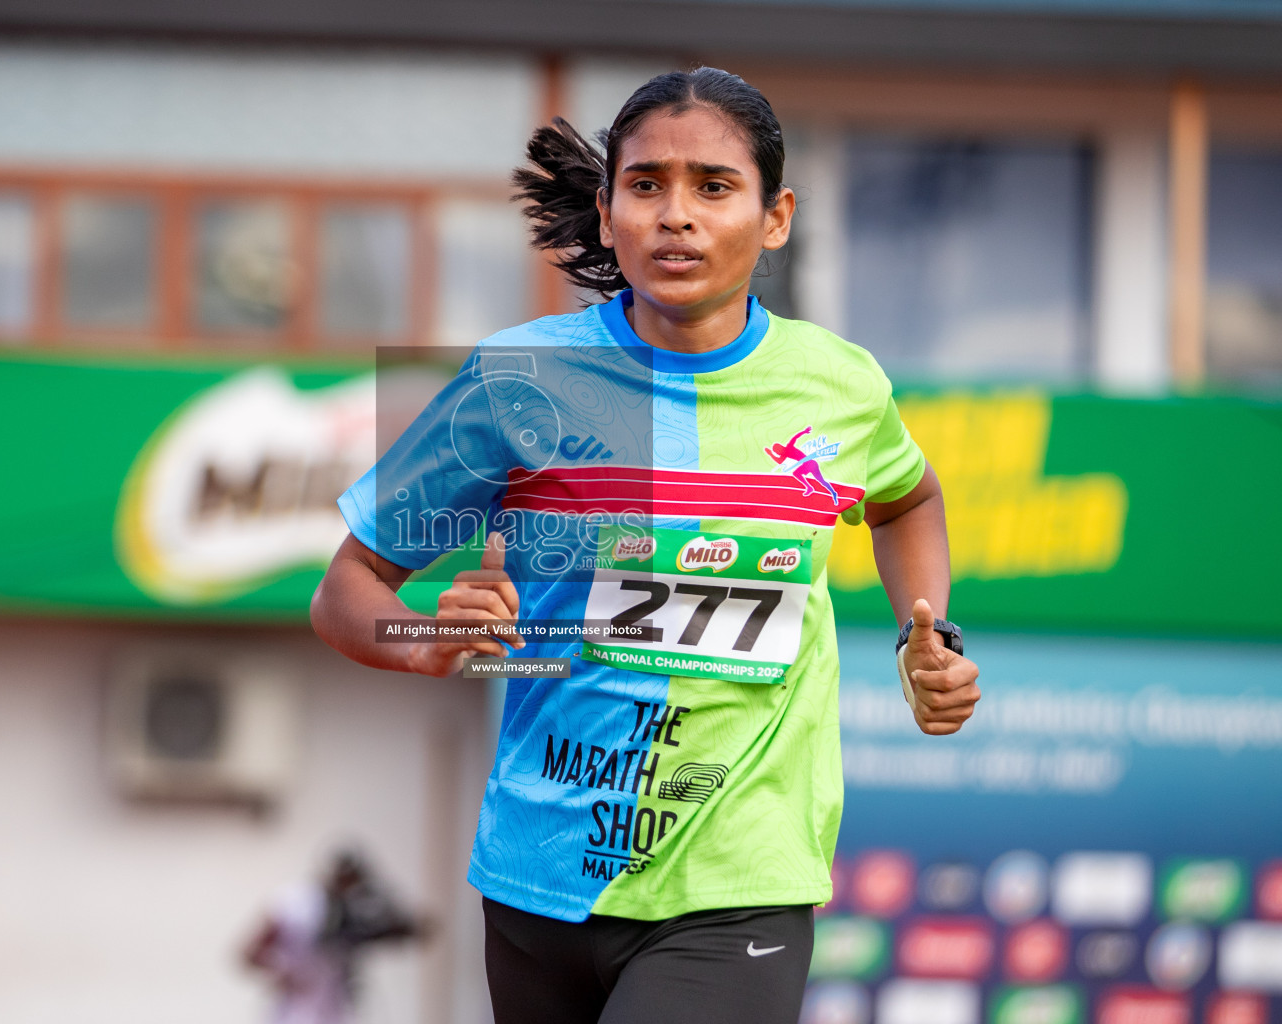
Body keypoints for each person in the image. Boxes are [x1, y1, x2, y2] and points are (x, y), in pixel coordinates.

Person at [311, 67, 981, 1024]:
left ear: (776, 216)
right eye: (647, 185)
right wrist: (429, 639)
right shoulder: (519, 381)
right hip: (539, 883)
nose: (677, 216)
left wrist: (932, 635)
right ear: (607, 206)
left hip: (737, 877)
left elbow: (908, 500)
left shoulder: (840, 386)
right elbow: (348, 588)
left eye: (714, 186)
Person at [242, 850, 425, 1024]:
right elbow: (249, 952)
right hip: (295, 1013)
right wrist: (286, 972)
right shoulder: (299, 902)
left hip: (333, 1011)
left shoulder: (356, 907)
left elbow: (410, 931)